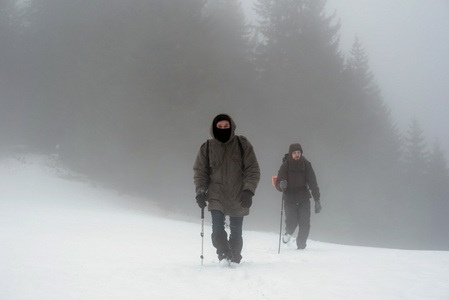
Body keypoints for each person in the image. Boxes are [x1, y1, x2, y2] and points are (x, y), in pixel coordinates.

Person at [193, 113, 260, 263]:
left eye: (226, 126)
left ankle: (235, 256)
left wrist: (249, 190)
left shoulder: (242, 144)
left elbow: (253, 169)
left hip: (238, 194)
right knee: (217, 229)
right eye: (220, 126)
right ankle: (223, 254)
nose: (223, 129)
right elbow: (200, 172)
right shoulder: (207, 148)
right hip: (216, 195)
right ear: (214, 128)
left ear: (231, 127)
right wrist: (200, 191)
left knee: (236, 231)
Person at [275, 143, 321, 250]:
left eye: (298, 153)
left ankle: (301, 247)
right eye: (295, 153)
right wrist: (281, 185)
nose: (297, 155)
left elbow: (313, 183)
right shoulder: (285, 166)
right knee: (292, 222)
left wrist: (317, 200)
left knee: (305, 224)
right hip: (289, 198)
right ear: (291, 154)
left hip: (303, 198)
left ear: (301, 153)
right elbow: (278, 182)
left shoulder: (306, 165)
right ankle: (288, 233)